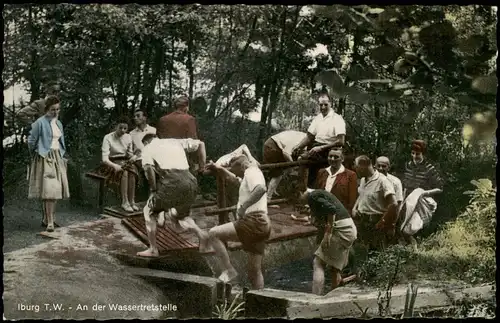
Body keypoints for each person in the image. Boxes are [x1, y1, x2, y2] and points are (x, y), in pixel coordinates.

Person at [203, 155, 270, 290]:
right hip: (263, 223)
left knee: (213, 233)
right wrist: (219, 168)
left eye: (237, 171)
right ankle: (260, 299)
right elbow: (234, 180)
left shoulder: (251, 172)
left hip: (254, 220)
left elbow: (261, 189)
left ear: (242, 166)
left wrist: (243, 206)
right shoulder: (251, 174)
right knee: (254, 271)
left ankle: (228, 269)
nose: (237, 175)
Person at [137, 133, 208, 257]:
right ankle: (202, 235)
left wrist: (153, 190)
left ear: (146, 142)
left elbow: (148, 169)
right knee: (181, 216)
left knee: (148, 211)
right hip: (190, 180)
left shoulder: (147, 148)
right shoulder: (174, 141)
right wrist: (202, 167)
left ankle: (153, 249)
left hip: (173, 181)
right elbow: (201, 144)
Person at [297, 189, 357, 295]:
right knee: (334, 269)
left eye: (298, 200)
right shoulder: (318, 194)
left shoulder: (313, 196)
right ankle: (334, 297)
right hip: (349, 229)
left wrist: (328, 233)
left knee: (318, 263)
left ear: (301, 192)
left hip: (341, 229)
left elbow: (331, 209)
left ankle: (315, 297)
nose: (300, 203)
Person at [27, 96, 70, 232]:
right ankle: (50, 222)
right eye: (52, 110)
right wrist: (37, 152)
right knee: (50, 190)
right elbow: (31, 141)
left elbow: (61, 141)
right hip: (45, 157)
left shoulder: (59, 124)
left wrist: (62, 155)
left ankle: (47, 218)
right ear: (46, 109)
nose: (55, 112)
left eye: (58, 109)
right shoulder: (39, 123)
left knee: (56, 190)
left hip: (57, 157)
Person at [291, 92, 346, 190]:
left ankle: (303, 189)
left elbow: (341, 141)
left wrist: (320, 148)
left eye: (326, 104)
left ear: (331, 103)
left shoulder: (337, 119)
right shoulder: (318, 118)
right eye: (321, 105)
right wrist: (298, 146)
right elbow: (309, 136)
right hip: (316, 148)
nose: (323, 107)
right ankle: (304, 191)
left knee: (305, 160)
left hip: (331, 149)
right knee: (299, 157)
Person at [399, 140, 444, 250]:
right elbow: (406, 186)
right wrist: (402, 201)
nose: (415, 156)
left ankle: (418, 250)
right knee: (402, 226)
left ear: (423, 154)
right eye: (413, 153)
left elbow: (440, 188)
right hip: (408, 202)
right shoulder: (408, 165)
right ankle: (406, 250)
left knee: (415, 227)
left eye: (417, 154)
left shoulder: (429, 168)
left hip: (422, 202)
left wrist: (424, 193)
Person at [352, 155, 398, 251]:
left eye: (356, 167)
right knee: (361, 251)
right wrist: (355, 208)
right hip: (362, 221)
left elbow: (394, 204)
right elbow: (362, 194)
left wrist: (384, 222)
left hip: (376, 222)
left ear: (363, 167)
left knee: (377, 253)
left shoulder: (383, 181)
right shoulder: (363, 180)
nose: (355, 170)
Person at [95, 117, 139, 212]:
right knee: (124, 172)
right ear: (116, 127)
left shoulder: (128, 137)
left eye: (125, 128)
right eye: (120, 128)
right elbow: (104, 159)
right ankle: (125, 201)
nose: (123, 131)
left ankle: (132, 201)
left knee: (133, 171)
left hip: (123, 160)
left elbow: (129, 153)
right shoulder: (108, 137)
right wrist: (115, 166)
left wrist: (133, 157)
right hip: (110, 162)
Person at [262, 130, 307, 201]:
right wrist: (293, 166)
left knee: (282, 171)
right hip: (273, 146)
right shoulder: (299, 139)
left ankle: (272, 191)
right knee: (277, 174)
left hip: (276, 146)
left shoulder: (303, 137)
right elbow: (286, 153)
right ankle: (268, 199)